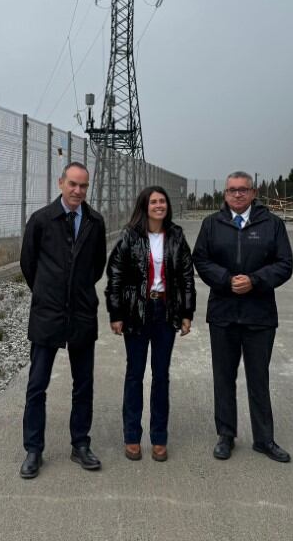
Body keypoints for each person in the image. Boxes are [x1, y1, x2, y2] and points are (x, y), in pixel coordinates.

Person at [192, 171, 293, 463]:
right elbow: (200, 259)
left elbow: (284, 264)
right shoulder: (212, 224)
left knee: (258, 378)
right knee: (223, 377)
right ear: (225, 194)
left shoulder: (271, 224)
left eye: (243, 190)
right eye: (232, 190)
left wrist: (255, 280)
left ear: (253, 193)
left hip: (259, 316)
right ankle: (226, 435)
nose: (237, 194)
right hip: (223, 314)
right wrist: (225, 279)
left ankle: (264, 439)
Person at [18, 162, 107, 479]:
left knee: (83, 384)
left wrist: (78, 293)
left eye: (83, 186)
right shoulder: (42, 220)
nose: (77, 191)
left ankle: (80, 444)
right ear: (60, 183)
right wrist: (47, 293)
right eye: (72, 184)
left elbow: (97, 266)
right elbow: (29, 264)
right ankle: (33, 449)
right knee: (37, 384)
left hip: (82, 313)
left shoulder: (95, 222)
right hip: (48, 314)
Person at [105, 186, 196, 463]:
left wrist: (186, 312)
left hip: (165, 313)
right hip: (136, 313)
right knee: (134, 375)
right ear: (144, 206)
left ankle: (159, 438)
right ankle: (132, 437)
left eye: (162, 201)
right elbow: (116, 276)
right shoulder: (129, 237)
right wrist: (116, 314)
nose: (159, 205)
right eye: (153, 202)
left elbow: (186, 277)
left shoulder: (177, 236)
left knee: (160, 377)